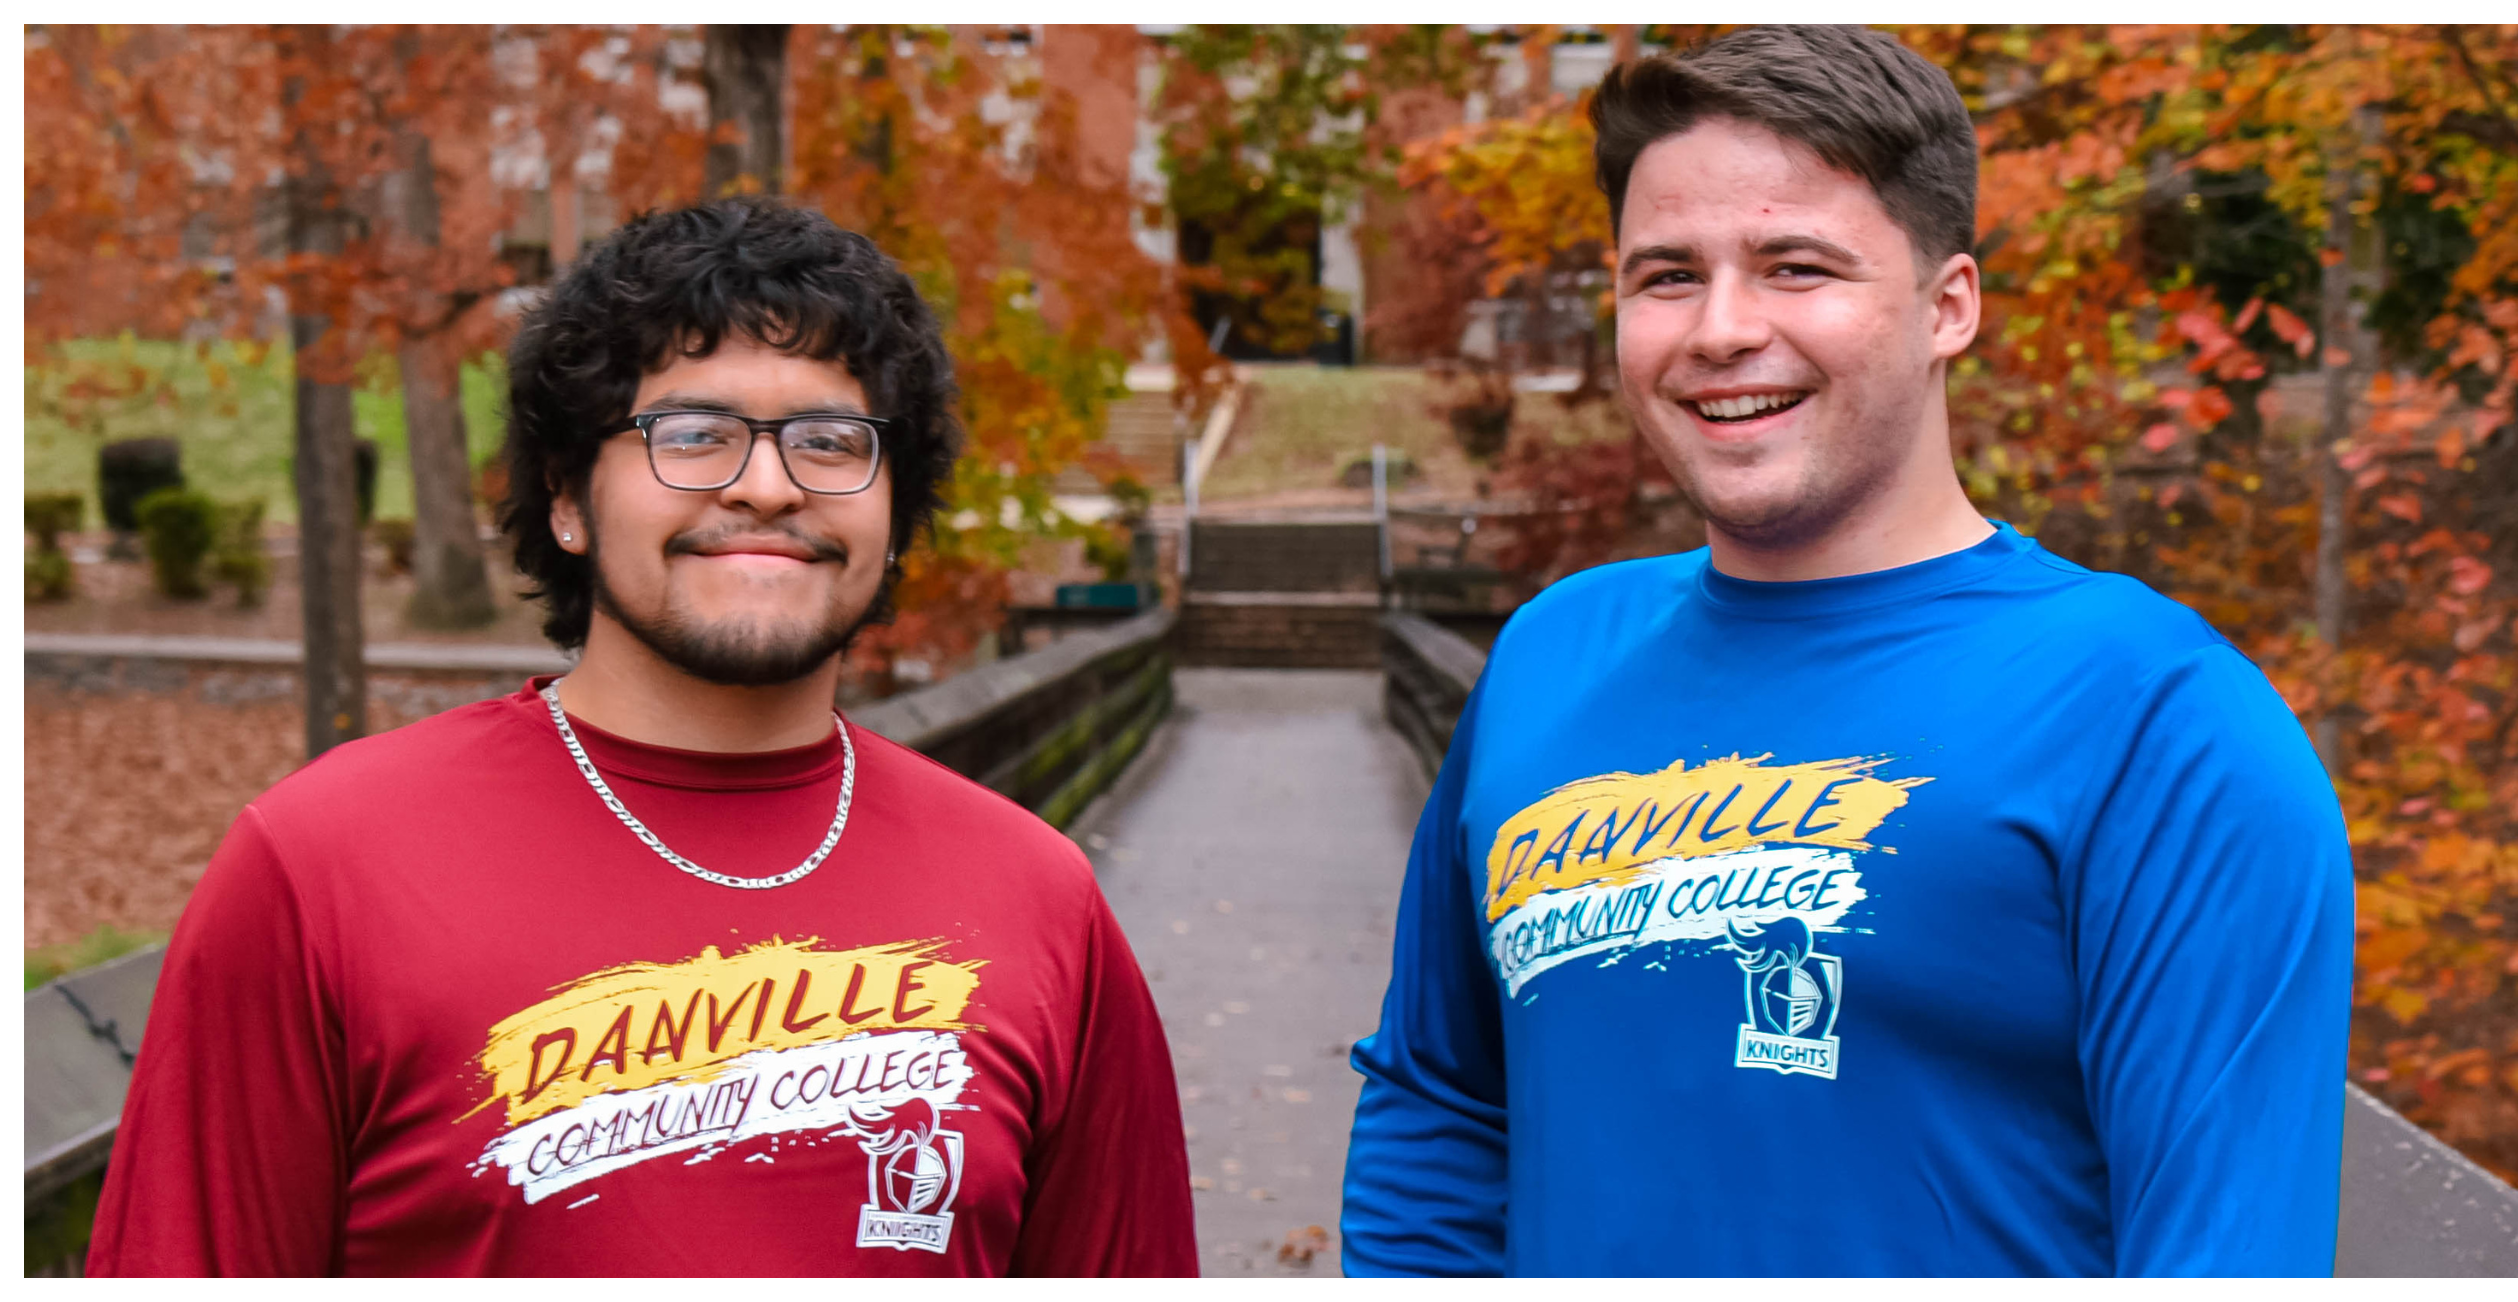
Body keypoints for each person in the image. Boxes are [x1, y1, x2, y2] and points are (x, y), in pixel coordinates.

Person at [1341, 25, 2352, 1277]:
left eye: (1795, 266)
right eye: (1665, 276)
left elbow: (2227, 1253)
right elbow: (1441, 1105)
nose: (1720, 329)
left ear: (1948, 307)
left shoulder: (2154, 717)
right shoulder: (1554, 651)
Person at [89, 197, 1197, 1277]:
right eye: (696, 433)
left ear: (894, 511)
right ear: (568, 498)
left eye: (828, 439)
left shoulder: (1038, 898)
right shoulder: (323, 868)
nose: (767, 486)